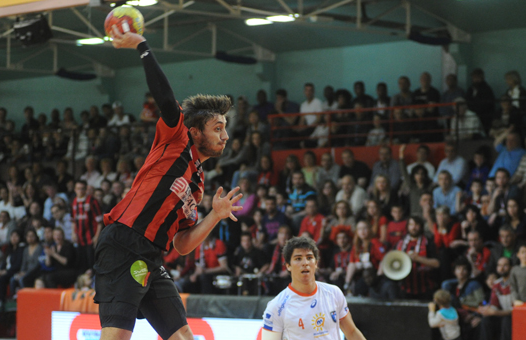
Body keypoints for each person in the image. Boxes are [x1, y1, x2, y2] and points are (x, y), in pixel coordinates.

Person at [94, 29, 245, 340]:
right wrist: (141, 46)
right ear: (195, 131)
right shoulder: (176, 138)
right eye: (218, 128)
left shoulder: (199, 183)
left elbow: (182, 244)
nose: (225, 136)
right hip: (123, 244)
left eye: (225, 129)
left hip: (151, 257)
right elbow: (164, 96)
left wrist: (214, 216)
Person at [261, 236, 366, 340]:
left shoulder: (334, 292)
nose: (305, 263)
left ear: (316, 263)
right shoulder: (276, 307)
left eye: (309, 258)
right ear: (288, 265)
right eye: (298, 258)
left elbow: (352, 332)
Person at [396, 216, 440, 299]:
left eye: (416, 225)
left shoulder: (428, 242)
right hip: (405, 289)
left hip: (425, 288)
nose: (413, 227)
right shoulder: (400, 243)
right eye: (411, 224)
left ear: (421, 226)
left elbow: (437, 263)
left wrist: (418, 258)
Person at [477, 257, 513, 340]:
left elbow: (515, 308)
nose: (502, 268)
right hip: (500, 314)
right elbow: (494, 304)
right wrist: (487, 309)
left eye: (505, 265)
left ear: (511, 267)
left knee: (506, 320)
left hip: (513, 315)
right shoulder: (496, 284)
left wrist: (496, 312)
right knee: (486, 320)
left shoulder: (515, 283)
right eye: (499, 265)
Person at [71, 180, 103, 272]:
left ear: (86, 189)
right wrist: (73, 233)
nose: (80, 191)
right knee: (81, 263)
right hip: (79, 238)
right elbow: (73, 220)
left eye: (82, 189)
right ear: (75, 189)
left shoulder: (92, 201)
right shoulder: (73, 202)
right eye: (78, 189)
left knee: (91, 262)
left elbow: (99, 221)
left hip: (91, 237)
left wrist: (97, 236)